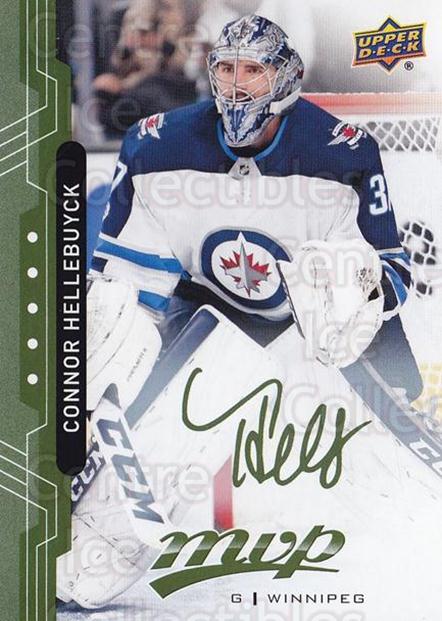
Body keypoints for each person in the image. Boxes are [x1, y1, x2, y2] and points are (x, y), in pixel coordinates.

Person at [59, 14, 424, 610]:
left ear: (285, 79)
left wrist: (357, 291)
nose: (236, 84)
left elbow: (393, 272)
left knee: (405, 537)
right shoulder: (158, 144)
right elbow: (130, 282)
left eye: (252, 70)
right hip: (208, 333)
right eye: (226, 68)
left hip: (318, 340)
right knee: (108, 317)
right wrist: (112, 355)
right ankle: (86, 501)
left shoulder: (342, 151)